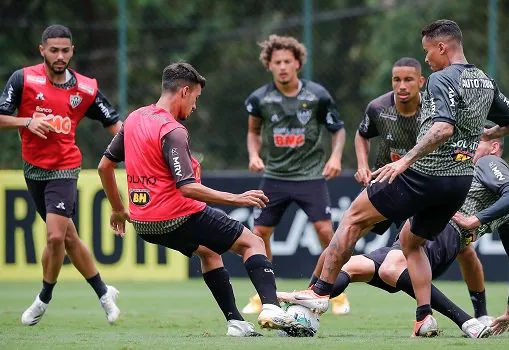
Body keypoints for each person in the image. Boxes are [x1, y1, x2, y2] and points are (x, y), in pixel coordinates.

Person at [280, 19, 509, 337]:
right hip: (459, 182)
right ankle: (424, 317)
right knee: (412, 243)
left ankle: (320, 292)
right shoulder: (484, 81)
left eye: (427, 52)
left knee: (353, 219)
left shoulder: (441, 78)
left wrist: (405, 161)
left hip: (425, 175)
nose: (427, 59)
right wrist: (483, 132)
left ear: (442, 47)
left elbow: (443, 128)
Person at [98, 62, 311, 337]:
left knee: (209, 252)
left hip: (144, 223)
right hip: (178, 215)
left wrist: (118, 209)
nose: (196, 106)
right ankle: (271, 307)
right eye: (196, 98)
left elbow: (104, 166)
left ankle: (236, 322)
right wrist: (237, 198)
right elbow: (187, 187)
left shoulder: (134, 119)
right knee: (253, 242)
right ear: (184, 91)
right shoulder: (172, 130)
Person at [296, 136, 509, 338]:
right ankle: (302, 313)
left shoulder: (489, 162)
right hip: (417, 237)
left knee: (390, 268)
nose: (470, 146)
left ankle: (466, 321)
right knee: (349, 267)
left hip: (444, 232)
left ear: (494, 147)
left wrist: (475, 220)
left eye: (478, 141)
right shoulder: (492, 201)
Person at [0, 24, 121, 326]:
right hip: (33, 169)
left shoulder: (86, 88)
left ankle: (43, 298)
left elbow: (115, 125)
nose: (60, 55)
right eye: (53, 50)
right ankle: (104, 293)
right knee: (67, 238)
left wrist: (136, 150)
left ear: (72, 51)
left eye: (65, 50)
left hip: (65, 168)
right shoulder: (23, 79)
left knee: (55, 235)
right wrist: (26, 122)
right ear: (42, 50)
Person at [355, 56, 489, 320]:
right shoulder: (379, 107)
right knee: (348, 232)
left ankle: (476, 314)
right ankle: (317, 294)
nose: (402, 86)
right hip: (388, 185)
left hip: (422, 187)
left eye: (408, 80)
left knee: (462, 249)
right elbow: (362, 134)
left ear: (421, 82)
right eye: (396, 80)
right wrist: (362, 164)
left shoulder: (437, 110)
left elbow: (467, 133)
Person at [243, 34, 349, 315]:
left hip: (310, 175)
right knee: (259, 233)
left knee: (328, 233)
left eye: (287, 61)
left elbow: (338, 130)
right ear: (269, 65)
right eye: (276, 62)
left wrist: (336, 156)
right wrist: (254, 155)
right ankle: (265, 293)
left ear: (298, 63)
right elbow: (253, 131)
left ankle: (334, 291)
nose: (282, 66)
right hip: (275, 176)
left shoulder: (317, 96)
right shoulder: (259, 98)